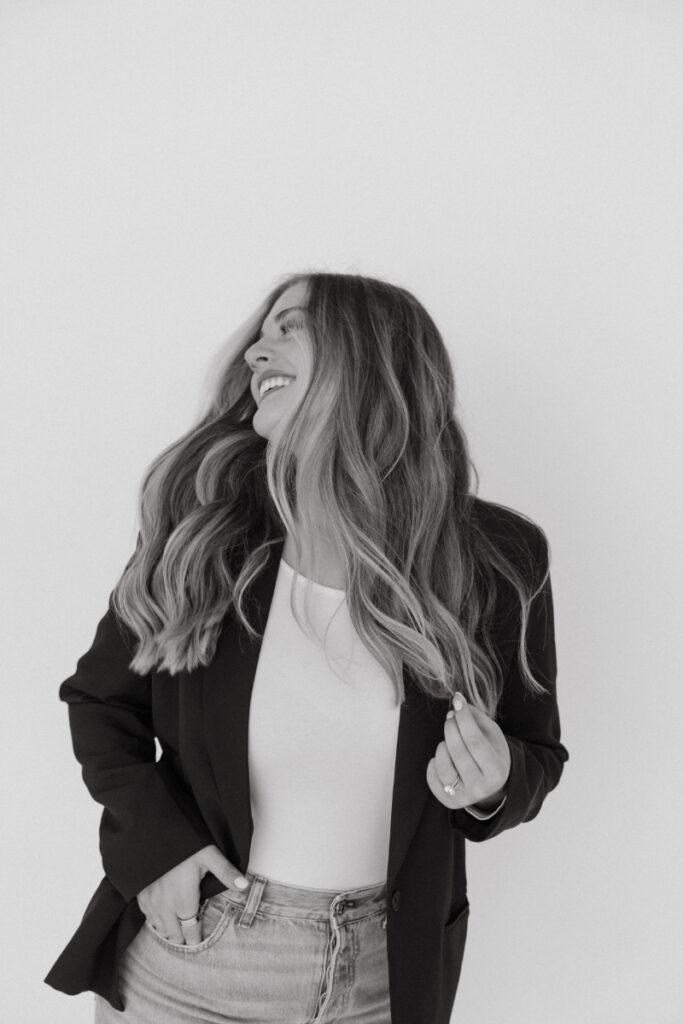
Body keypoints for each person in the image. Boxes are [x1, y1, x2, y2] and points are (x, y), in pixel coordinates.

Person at [44, 271, 569, 1024]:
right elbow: (101, 704)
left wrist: (491, 782)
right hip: (195, 952)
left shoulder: (497, 557)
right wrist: (156, 848)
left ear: (370, 358)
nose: (258, 350)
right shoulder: (206, 532)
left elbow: (533, 759)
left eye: (289, 327)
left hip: (383, 975)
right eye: (262, 332)